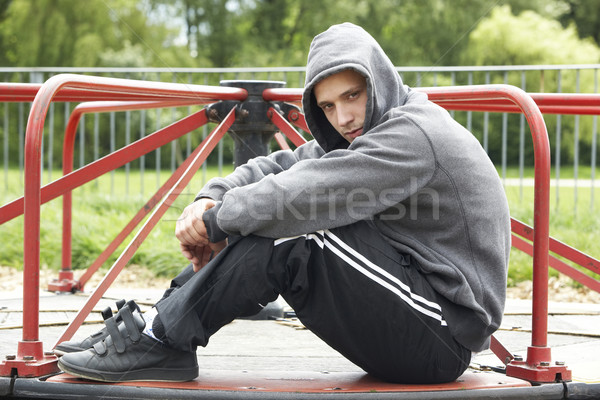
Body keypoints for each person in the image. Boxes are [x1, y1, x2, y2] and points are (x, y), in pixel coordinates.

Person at [56, 22, 510, 384]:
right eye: (328, 107)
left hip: (442, 337)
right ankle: (157, 327)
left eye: (353, 95)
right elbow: (285, 165)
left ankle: (160, 339)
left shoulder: (413, 134)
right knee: (274, 214)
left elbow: (305, 193)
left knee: (294, 228)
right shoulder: (367, 132)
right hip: (411, 307)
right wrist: (210, 198)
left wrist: (219, 223)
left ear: (381, 80)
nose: (344, 116)